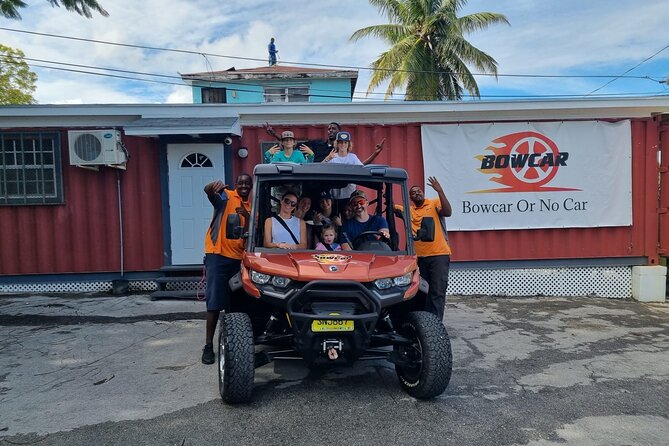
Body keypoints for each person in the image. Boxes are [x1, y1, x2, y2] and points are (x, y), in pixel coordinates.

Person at [201, 174, 253, 364]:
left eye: (247, 183)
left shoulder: (252, 207)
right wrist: (211, 187)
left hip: (239, 259)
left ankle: (234, 345)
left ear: (252, 186)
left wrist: (246, 216)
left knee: (237, 304)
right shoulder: (227, 196)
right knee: (214, 302)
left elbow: (253, 232)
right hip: (218, 256)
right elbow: (210, 194)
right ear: (236, 185)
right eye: (240, 183)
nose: (244, 186)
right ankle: (208, 346)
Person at [406, 176, 453, 323]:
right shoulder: (409, 210)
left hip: (439, 255)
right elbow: (393, 207)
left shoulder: (433, 203)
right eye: (413, 192)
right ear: (410, 198)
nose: (417, 193)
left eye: (419, 190)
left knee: (437, 290)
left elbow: (448, 212)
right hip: (419, 258)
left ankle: (436, 323)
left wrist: (440, 191)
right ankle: (425, 323)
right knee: (421, 291)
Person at [264, 122, 387, 164]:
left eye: (333, 128)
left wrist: (375, 154)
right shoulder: (317, 144)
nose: (330, 131)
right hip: (312, 178)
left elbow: (360, 167)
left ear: (339, 131)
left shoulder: (340, 154)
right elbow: (292, 144)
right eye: (329, 129)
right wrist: (275, 134)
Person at [323, 131, 363, 211]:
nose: (343, 145)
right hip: (334, 197)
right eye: (341, 142)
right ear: (337, 144)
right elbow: (320, 168)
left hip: (349, 196)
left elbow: (362, 169)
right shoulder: (332, 156)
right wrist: (327, 159)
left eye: (345, 142)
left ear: (349, 144)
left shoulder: (353, 157)